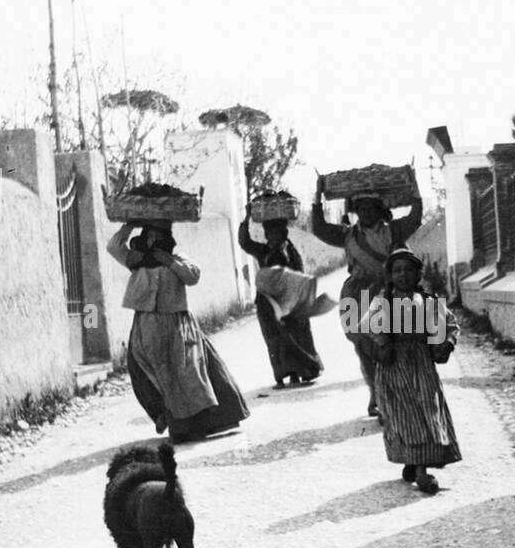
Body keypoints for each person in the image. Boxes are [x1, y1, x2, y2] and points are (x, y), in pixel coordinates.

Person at [107, 220, 249, 443]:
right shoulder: (137, 260)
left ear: (166, 239)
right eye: (150, 236)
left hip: (177, 323)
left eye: (158, 236)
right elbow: (114, 247)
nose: (153, 241)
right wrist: (129, 225)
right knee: (148, 371)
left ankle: (200, 424)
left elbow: (193, 276)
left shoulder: (177, 259)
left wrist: (170, 262)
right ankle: (167, 418)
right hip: (147, 323)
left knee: (187, 372)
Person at [310, 177, 423, 419]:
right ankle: (377, 393)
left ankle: (395, 395)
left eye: (371, 208)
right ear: (356, 211)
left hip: (390, 293)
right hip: (356, 294)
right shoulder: (347, 235)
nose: (366, 212)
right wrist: (317, 197)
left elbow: (415, 217)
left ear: (380, 210)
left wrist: (416, 190)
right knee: (364, 347)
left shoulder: (393, 231)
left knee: (395, 345)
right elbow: (319, 228)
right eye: (361, 208)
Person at [366, 247, 461, 494]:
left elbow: (450, 324)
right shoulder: (383, 302)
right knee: (404, 415)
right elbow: (368, 324)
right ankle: (418, 468)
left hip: (421, 365)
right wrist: (384, 342)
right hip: (393, 368)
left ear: (418, 275)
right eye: (397, 270)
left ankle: (416, 463)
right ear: (389, 276)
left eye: (409, 270)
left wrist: (447, 343)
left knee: (426, 410)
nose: (403, 275)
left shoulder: (428, 302)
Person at [238, 211, 324, 389]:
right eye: (270, 235)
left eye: (277, 234)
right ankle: (283, 374)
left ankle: (301, 372)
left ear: (284, 235)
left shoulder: (291, 252)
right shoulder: (262, 251)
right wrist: (245, 220)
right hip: (267, 303)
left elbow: (301, 274)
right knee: (274, 338)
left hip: (290, 301)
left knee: (295, 336)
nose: (273, 238)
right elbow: (244, 243)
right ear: (267, 236)